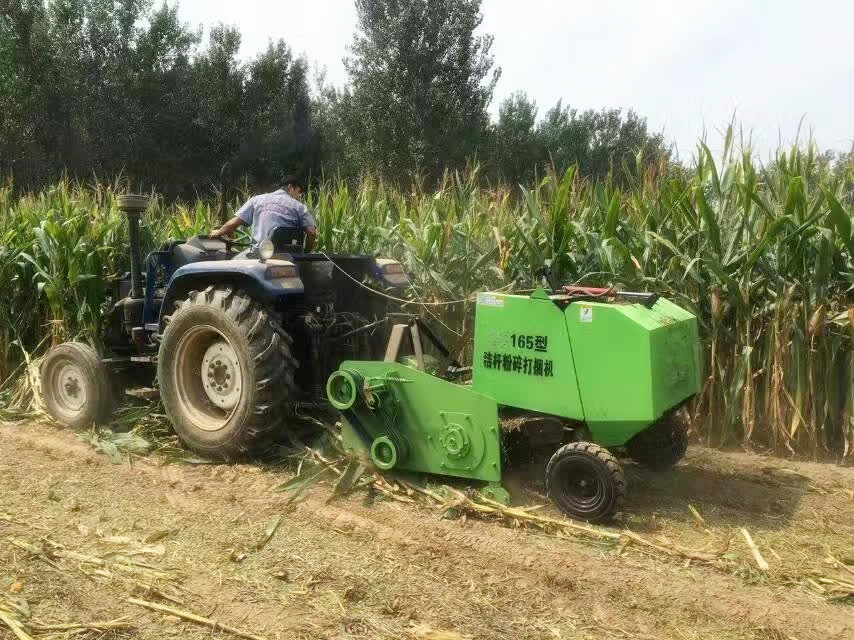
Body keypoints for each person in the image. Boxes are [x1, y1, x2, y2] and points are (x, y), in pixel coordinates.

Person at [210, 175, 317, 251]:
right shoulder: (300, 207)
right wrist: (305, 252)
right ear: (290, 187)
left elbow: (233, 224)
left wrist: (219, 232)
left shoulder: (257, 200)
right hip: (290, 258)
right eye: (298, 192)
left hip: (259, 256)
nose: (298, 197)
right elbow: (311, 232)